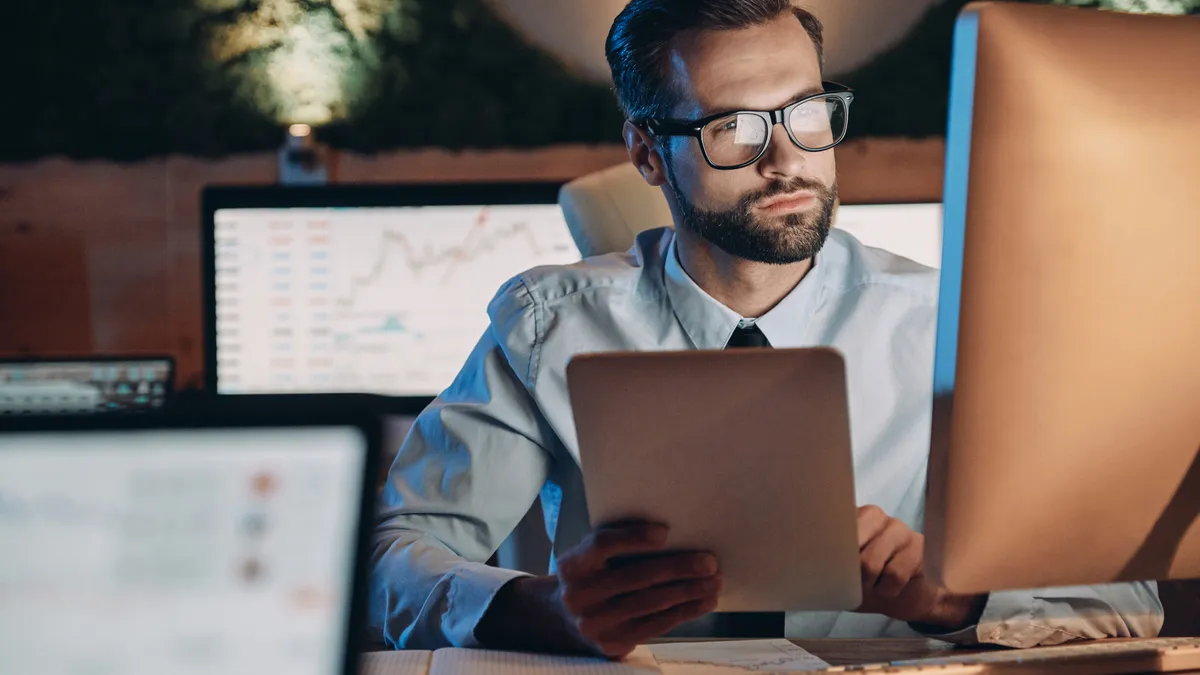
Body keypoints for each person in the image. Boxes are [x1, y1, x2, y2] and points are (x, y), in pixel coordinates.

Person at [369, 0, 1162, 658]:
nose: (787, 159)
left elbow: (1128, 599)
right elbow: (385, 559)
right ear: (647, 153)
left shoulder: (949, 329)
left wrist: (958, 598)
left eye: (807, 112)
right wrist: (547, 610)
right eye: (734, 128)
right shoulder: (550, 324)